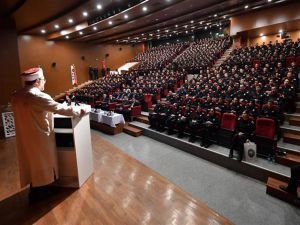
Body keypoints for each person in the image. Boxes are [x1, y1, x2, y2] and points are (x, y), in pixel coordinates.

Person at [11, 67, 88, 201]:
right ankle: (41, 192)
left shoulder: (16, 95)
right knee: (43, 163)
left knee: (31, 162)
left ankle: (35, 189)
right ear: (37, 81)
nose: (44, 83)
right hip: (40, 136)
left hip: (24, 136)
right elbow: (60, 108)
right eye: (43, 80)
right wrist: (79, 111)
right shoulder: (38, 95)